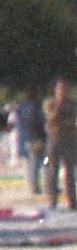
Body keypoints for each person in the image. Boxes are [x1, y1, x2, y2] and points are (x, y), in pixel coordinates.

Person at [46, 80, 77, 211]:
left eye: (65, 89)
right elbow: (51, 119)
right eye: (60, 89)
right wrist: (59, 106)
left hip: (70, 139)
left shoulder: (72, 104)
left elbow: (73, 121)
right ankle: (53, 200)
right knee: (53, 170)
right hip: (55, 139)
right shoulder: (50, 103)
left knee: (69, 171)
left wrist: (64, 121)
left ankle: (71, 200)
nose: (63, 92)